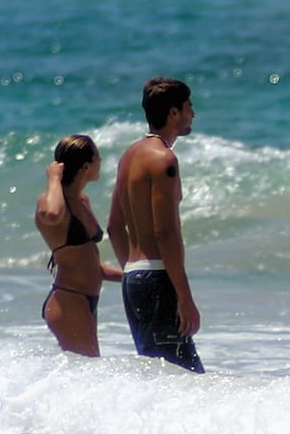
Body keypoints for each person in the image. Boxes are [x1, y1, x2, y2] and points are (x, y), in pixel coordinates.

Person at [108, 77, 205, 373]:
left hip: (134, 279)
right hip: (157, 281)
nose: (193, 113)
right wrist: (184, 297)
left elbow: (114, 226)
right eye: (189, 107)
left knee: (160, 378)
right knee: (187, 381)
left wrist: (133, 272)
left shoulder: (129, 157)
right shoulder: (164, 159)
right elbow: (165, 231)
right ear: (173, 113)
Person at [35, 134, 122, 357]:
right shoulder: (52, 202)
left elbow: (90, 264)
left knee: (87, 371)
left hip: (85, 300)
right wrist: (53, 177)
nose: (101, 161)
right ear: (85, 166)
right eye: (98, 157)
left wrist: (131, 276)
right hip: (68, 301)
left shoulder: (82, 201)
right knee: (87, 370)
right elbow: (52, 215)